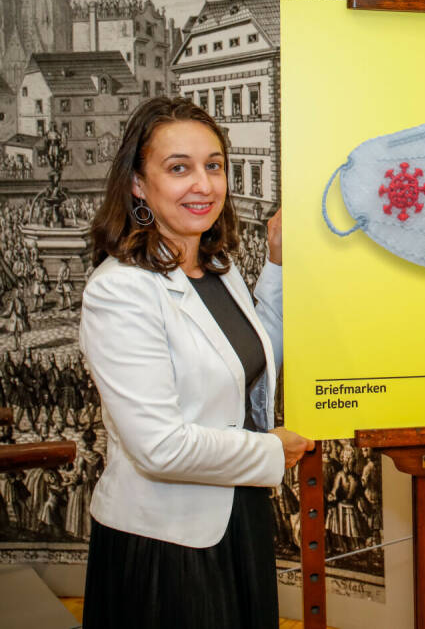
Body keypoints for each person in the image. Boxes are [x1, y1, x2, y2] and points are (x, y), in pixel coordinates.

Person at [79, 96, 314, 628]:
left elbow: (249, 360)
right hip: (166, 545)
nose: (204, 185)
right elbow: (159, 447)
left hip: (238, 518)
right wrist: (270, 449)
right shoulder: (120, 290)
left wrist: (277, 263)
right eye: (179, 168)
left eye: (214, 165)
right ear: (138, 184)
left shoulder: (217, 266)